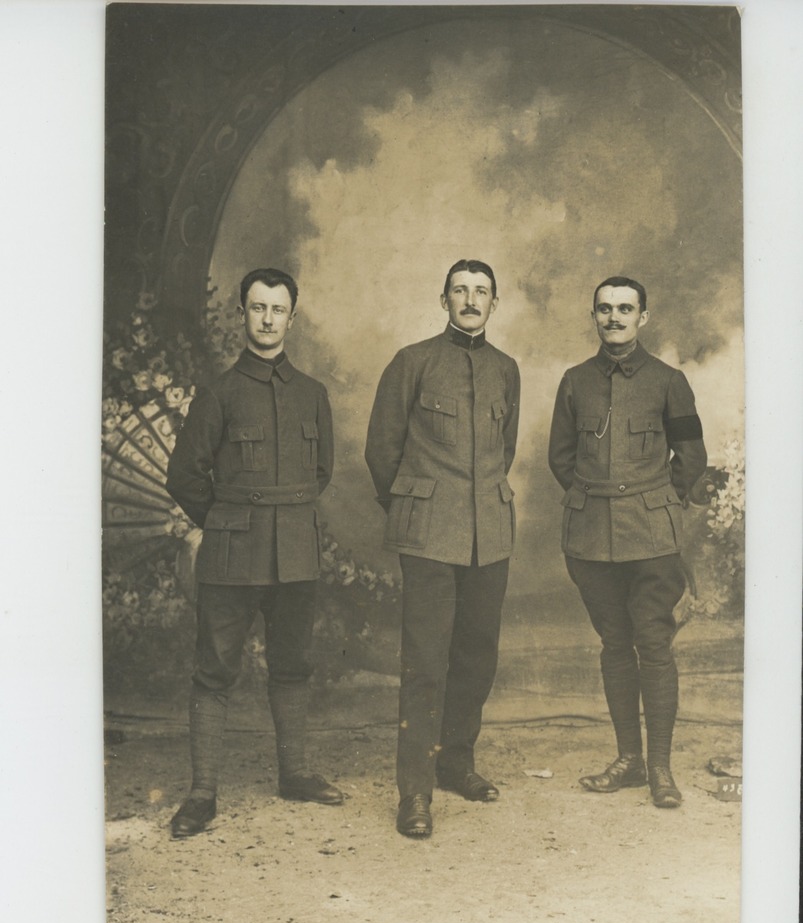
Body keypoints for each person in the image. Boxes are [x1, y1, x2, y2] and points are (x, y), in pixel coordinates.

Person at [165, 267, 343, 838]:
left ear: (293, 317)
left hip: (295, 553)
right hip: (231, 556)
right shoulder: (218, 393)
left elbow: (321, 472)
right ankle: (202, 794)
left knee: (292, 666)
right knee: (214, 671)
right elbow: (185, 476)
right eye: (257, 308)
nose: (267, 319)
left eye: (277, 310)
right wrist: (222, 525)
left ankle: (295, 774)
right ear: (242, 313)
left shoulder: (313, 395)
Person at [365, 259, 521, 837]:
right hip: (428, 535)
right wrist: (414, 508)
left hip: (490, 537)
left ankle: (457, 763)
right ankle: (415, 791)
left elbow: (502, 451)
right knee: (426, 662)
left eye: (482, 291)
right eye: (461, 290)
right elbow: (381, 451)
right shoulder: (413, 362)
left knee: (476, 656)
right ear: (444, 299)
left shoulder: (506, 369)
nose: (471, 300)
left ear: (494, 303)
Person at [548, 276, 707, 808]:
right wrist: (596, 502)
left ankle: (660, 768)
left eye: (625, 308)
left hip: (652, 540)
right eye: (604, 309)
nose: (614, 317)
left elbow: (692, 458)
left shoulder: (669, 380)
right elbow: (562, 458)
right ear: (593, 316)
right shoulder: (574, 381)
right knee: (614, 645)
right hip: (591, 539)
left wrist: (657, 502)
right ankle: (628, 761)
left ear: (644, 316)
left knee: (654, 646)